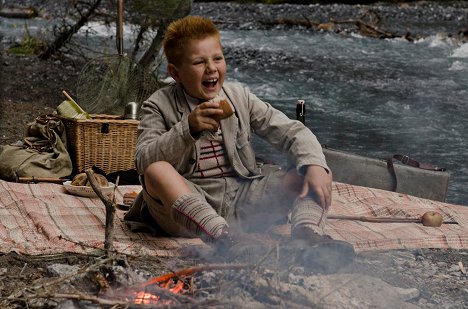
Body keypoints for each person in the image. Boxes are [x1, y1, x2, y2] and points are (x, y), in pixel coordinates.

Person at [127, 15, 354, 270]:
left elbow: (292, 131)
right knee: (156, 170)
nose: (211, 68)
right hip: (185, 209)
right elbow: (142, 160)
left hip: (243, 199)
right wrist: (187, 128)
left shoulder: (239, 97)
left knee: (312, 169)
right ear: (175, 73)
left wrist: (313, 164)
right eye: (199, 62)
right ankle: (225, 239)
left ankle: (307, 239)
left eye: (217, 58)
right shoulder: (158, 104)